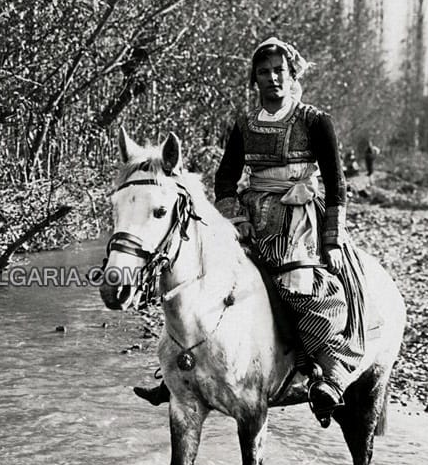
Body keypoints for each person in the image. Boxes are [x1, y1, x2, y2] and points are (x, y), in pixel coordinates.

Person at [135, 37, 367, 427]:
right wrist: (234, 216)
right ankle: (180, 371)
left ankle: (327, 374)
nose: (273, 78)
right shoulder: (244, 125)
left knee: (298, 289)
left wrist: (332, 240)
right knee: (202, 280)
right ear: (254, 80)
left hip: (298, 218)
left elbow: (336, 182)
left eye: (279, 71)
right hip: (251, 214)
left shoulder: (314, 121)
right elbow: (226, 176)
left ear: (292, 75)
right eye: (264, 72)